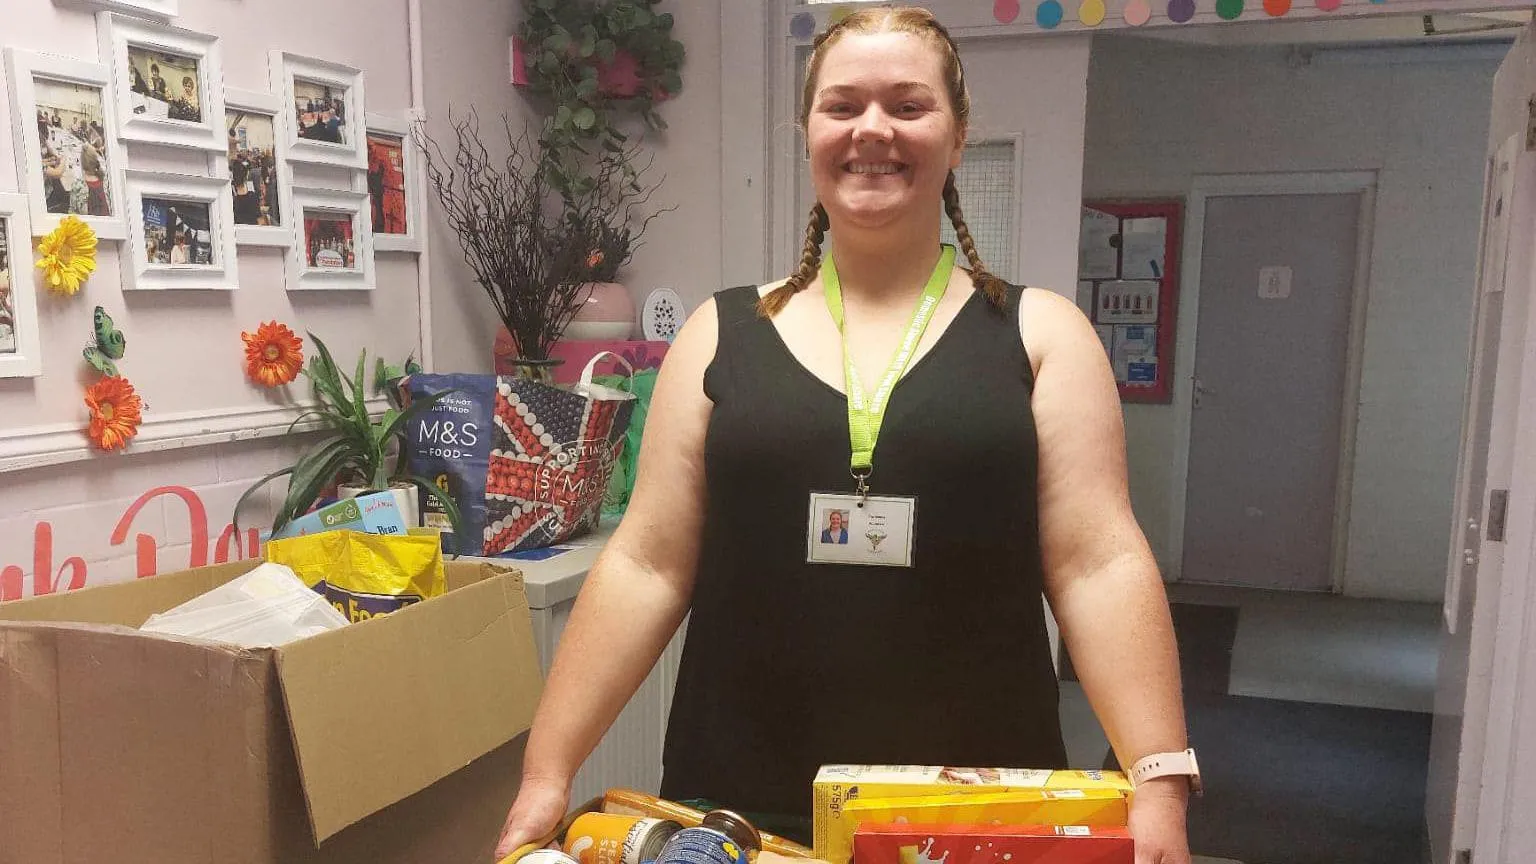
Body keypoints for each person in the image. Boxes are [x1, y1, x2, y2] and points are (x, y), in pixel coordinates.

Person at [495, 8, 1192, 864]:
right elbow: (646, 563)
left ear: (958, 136)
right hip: (739, 815)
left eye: (908, 106)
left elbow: (1099, 564)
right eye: (843, 105)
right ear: (807, 131)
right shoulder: (719, 336)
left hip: (976, 816)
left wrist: (1157, 779)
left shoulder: (1042, 336)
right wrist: (546, 769)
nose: (873, 129)